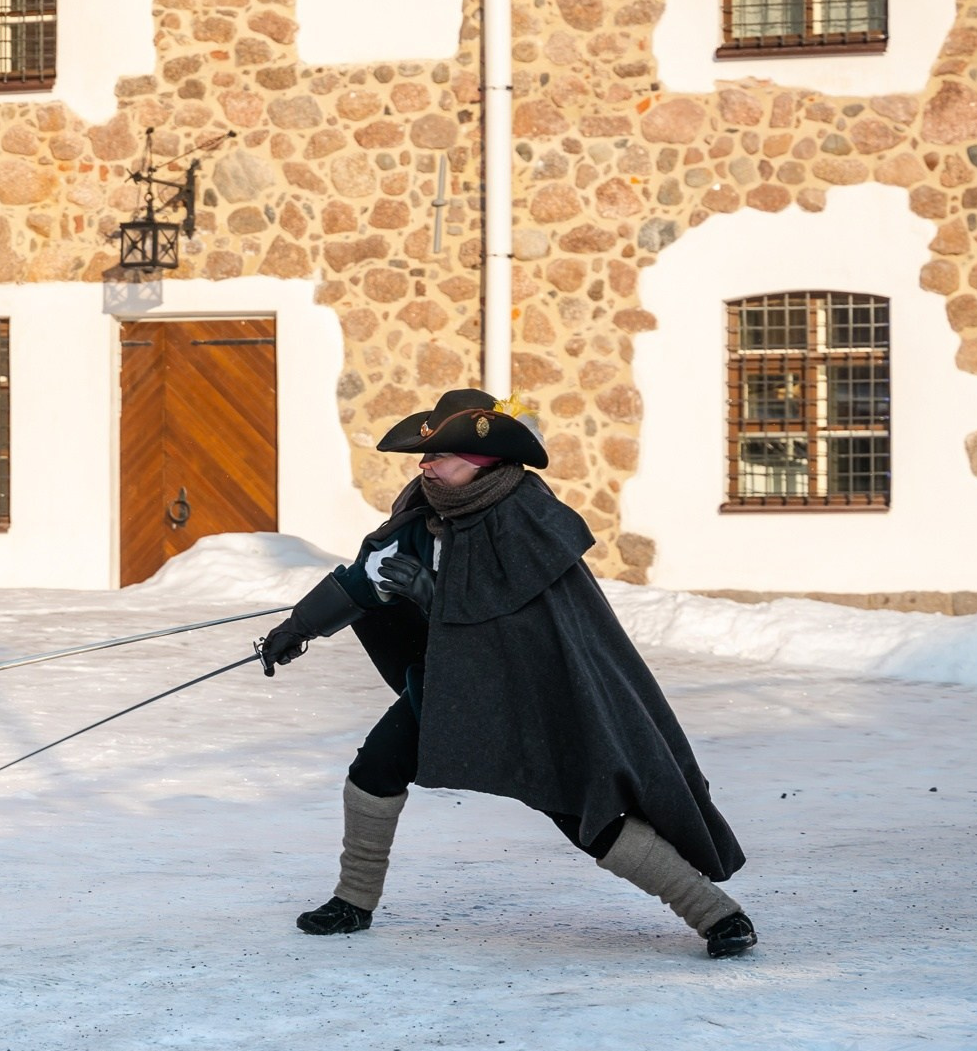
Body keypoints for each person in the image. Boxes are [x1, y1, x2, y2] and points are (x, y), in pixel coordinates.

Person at [259, 389, 755, 957]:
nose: (425, 466)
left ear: (481, 462)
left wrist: (432, 595)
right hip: (449, 690)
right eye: (424, 456)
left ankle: (716, 915)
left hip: (533, 694)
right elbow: (364, 580)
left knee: (581, 813)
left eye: (439, 456)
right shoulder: (424, 512)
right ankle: (353, 900)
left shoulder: (528, 518)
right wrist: (296, 629)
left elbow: (518, 619)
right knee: (375, 767)